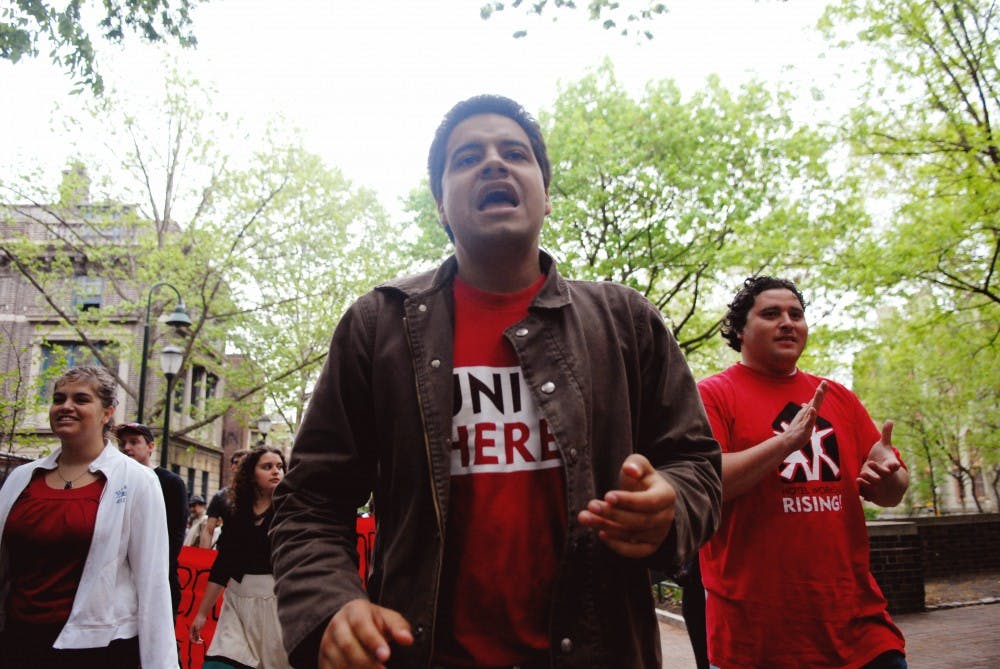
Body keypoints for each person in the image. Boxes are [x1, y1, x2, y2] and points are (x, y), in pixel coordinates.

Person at [270, 94, 722, 669]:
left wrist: (671, 506)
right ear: (441, 205)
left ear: (546, 194)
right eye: (466, 158)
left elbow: (698, 463)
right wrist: (331, 605)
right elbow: (309, 502)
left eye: (515, 152)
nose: (493, 163)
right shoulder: (378, 325)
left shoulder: (625, 322)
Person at [697, 276, 910, 669]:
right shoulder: (712, 395)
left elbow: (891, 492)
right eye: (771, 313)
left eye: (796, 314)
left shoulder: (837, 396)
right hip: (756, 641)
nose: (788, 322)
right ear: (740, 329)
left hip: (861, 633)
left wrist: (891, 477)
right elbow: (707, 483)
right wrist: (784, 443)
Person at [0, 366, 178, 668]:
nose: (66, 406)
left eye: (81, 399)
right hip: (18, 641)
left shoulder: (138, 481)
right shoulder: (21, 479)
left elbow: (153, 584)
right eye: (59, 398)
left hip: (100, 649)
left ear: (107, 412)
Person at [190, 445, 292, 669]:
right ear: (251, 475)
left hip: (276, 606)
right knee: (220, 664)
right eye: (267, 467)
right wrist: (201, 614)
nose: (276, 471)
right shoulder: (236, 513)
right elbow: (223, 564)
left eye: (280, 467)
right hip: (236, 604)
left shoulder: (290, 512)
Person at [116, 421, 188, 615]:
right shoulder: (113, 481)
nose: (126, 448)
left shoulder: (171, 483)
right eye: (122, 443)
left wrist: (157, 572)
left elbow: (176, 533)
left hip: (158, 580)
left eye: (134, 442)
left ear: (150, 446)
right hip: (118, 582)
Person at [202, 450, 247, 549]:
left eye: (244, 462)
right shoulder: (220, 496)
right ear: (231, 466)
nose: (239, 465)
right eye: (236, 462)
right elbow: (208, 530)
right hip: (226, 552)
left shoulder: (260, 494)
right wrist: (202, 559)